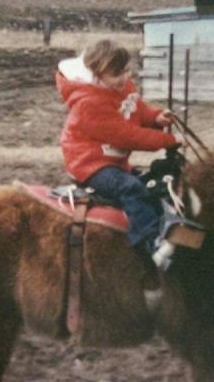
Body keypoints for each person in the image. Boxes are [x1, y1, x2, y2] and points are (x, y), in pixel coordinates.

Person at [56, 39, 180, 287]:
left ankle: (167, 227)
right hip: (89, 162)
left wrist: (155, 117)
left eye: (126, 70)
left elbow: (137, 110)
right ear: (96, 73)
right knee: (130, 188)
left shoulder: (121, 87)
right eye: (116, 74)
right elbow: (126, 134)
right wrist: (167, 140)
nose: (124, 77)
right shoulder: (89, 103)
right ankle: (150, 241)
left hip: (112, 160)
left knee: (151, 183)